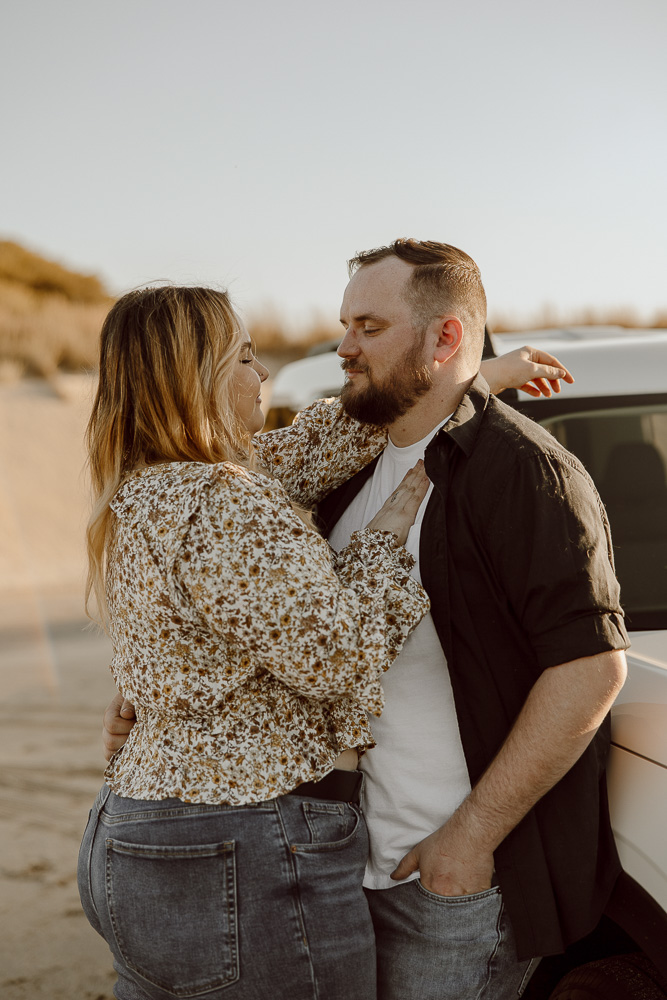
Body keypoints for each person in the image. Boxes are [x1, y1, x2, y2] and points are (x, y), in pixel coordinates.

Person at [100, 249, 616, 1000]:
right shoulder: (283, 489)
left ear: (443, 340)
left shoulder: (517, 470)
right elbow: (314, 643)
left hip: (430, 874)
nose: (337, 347)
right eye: (344, 324)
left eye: (366, 326)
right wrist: (157, 698)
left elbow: (591, 666)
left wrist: (470, 840)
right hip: (312, 859)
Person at [78, 284, 434, 1000]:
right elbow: (336, 660)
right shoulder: (219, 501)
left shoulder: (145, 489)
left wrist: (473, 377)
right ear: (197, 378)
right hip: (237, 843)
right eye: (244, 356)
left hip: (138, 832)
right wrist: (382, 545)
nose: (263, 374)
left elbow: (302, 453)